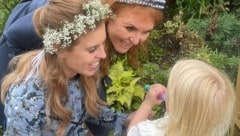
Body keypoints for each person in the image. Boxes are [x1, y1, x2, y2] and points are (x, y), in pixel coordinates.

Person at [0, 0, 166, 134]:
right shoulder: (26, 100)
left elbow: (93, 112)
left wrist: (127, 118)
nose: (103, 55)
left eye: (103, 44)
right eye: (93, 48)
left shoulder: (78, 74)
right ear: (60, 47)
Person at [127, 59, 236, 136]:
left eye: (171, 90)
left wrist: (147, 103)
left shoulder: (150, 132)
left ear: (178, 106)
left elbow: (132, 132)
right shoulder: (207, 128)